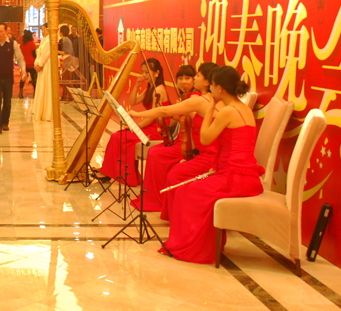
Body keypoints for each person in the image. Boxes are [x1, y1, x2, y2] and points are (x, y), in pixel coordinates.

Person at [161, 66, 264, 264]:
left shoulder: (227, 111)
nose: (210, 90)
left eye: (213, 86)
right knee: (188, 188)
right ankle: (199, 244)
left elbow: (205, 138)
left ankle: (194, 247)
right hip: (246, 176)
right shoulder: (244, 109)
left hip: (234, 178)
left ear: (220, 89)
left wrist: (210, 107)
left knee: (186, 191)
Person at [126, 63, 219, 212]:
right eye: (181, 78)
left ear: (207, 81)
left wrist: (137, 115)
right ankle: (157, 199)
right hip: (199, 144)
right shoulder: (205, 99)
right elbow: (182, 116)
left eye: (196, 76)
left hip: (201, 149)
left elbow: (165, 111)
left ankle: (162, 202)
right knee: (154, 153)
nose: (193, 79)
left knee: (162, 161)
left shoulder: (200, 99)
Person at [94, 58, 169, 185]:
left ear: (157, 73)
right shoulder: (151, 88)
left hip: (157, 129)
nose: (144, 75)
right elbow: (132, 101)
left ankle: (111, 172)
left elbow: (153, 116)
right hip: (149, 126)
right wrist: (137, 85)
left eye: (147, 72)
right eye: (143, 72)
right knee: (117, 136)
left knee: (118, 137)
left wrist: (137, 126)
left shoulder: (159, 90)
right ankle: (108, 171)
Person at [32, 23, 53, 121]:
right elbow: (39, 53)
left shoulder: (50, 40)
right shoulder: (44, 39)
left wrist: (39, 64)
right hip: (42, 65)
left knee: (46, 86)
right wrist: (36, 63)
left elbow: (45, 54)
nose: (42, 31)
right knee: (41, 86)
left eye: (44, 29)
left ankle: (47, 112)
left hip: (47, 65)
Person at [18, 30, 38, 98]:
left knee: (23, 78)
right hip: (31, 64)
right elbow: (34, 54)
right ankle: (35, 93)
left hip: (24, 65)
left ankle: (20, 92)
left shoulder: (21, 45)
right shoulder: (32, 44)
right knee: (34, 78)